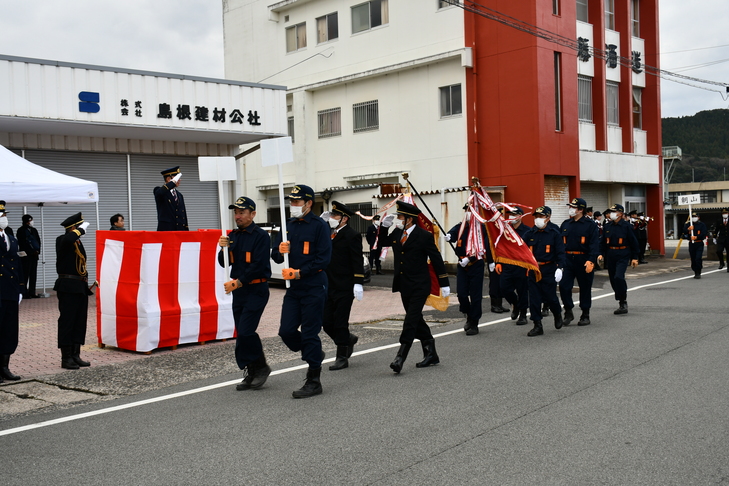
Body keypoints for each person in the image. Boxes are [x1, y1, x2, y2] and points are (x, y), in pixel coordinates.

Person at [271, 184, 331, 398]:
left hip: (314, 285)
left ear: (308, 203)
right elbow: (276, 257)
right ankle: (313, 352)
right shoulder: (287, 226)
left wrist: (300, 272)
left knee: (309, 332)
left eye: (296, 202)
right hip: (294, 288)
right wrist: (279, 250)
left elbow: (323, 259)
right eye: (291, 201)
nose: (292, 205)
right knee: (286, 331)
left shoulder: (319, 226)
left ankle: (314, 380)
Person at [381, 201, 450, 373]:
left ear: (409, 219)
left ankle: (400, 357)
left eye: (400, 217)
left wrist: (444, 282)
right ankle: (431, 352)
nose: (398, 219)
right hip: (404, 284)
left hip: (420, 284)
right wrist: (384, 227)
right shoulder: (397, 233)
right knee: (416, 319)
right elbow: (382, 242)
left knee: (410, 320)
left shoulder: (423, 235)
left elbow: (436, 259)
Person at [218, 196, 272, 391]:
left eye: (242, 212)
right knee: (242, 332)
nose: (237, 216)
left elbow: (258, 265)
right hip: (239, 291)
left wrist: (239, 282)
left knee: (247, 330)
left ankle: (261, 367)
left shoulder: (261, 236)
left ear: (253, 214)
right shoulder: (233, 235)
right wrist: (222, 247)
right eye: (236, 212)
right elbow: (224, 263)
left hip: (256, 289)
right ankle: (251, 370)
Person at [323, 201, 364, 370]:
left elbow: (357, 260)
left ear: (345, 219)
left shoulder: (351, 235)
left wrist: (358, 283)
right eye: (331, 215)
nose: (332, 218)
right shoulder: (328, 233)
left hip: (344, 286)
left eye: (335, 216)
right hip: (328, 285)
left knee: (340, 322)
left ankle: (341, 356)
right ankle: (348, 340)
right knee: (326, 322)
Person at [54, 212, 93, 369]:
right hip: (68, 286)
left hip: (80, 286)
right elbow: (69, 238)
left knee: (79, 322)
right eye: (79, 227)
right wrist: (79, 230)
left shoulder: (77, 242)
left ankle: (76, 354)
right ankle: (66, 357)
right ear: (73, 228)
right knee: (67, 322)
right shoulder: (63, 239)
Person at [523, 206, 566, 336]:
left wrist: (560, 268)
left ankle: (557, 313)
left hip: (549, 269)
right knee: (534, 298)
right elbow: (520, 247)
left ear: (548, 218)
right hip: (534, 269)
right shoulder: (530, 234)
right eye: (536, 217)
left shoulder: (554, 233)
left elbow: (561, 253)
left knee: (550, 297)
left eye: (541, 217)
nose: (538, 219)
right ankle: (537, 325)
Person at [559, 197, 600, 326]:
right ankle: (568, 311)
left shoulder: (590, 225)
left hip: (583, 259)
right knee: (564, 286)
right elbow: (560, 244)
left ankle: (585, 313)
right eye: (570, 207)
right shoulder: (566, 224)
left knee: (585, 287)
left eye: (573, 207)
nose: (570, 209)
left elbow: (594, 244)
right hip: (567, 259)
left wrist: (591, 260)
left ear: (581, 210)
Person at [446, 205, 486, 335]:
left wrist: (470, 258)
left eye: (470, 211)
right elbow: (453, 234)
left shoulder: (481, 228)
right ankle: (468, 314)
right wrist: (449, 236)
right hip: (462, 265)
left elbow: (483, 247)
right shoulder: (461, 226)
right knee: (462, 293)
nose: (467, 213)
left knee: (475, 295)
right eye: (466, 210)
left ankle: (474, 322)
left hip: (475, 264)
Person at [598, 204, 639, 315]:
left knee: (619, 277)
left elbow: (634, 242)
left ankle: (623, 301)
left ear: (620, 214)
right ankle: (619, 296)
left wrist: (635, 257)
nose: (611, 214)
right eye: (610, 211)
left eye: (614, 211)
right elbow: (602, 242)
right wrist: (600, 254)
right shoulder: (607, 226)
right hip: (611, 254)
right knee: (612, 278)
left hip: (623, 253)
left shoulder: (626, 226)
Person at [0, 201, 24, 382]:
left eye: (4, 215)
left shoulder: (11, 236)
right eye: (1, 215)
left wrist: (21, 288)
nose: (4, 218)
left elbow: (17, 264)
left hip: (10, 290)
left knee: (9, 330)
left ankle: (4, 367)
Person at [497, 206, 531, 326]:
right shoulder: (505, 230)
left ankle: (522, 314)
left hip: (521, 265)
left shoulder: (527, 231)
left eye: (514, 214)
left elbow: (530, 250)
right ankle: (515, 304)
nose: (511, 217)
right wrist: (498, 262)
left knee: (522, 290)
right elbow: (500, 247)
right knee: (504, 288)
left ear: (520, 216)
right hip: (507, 264)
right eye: (509, 214)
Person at [153, 166, 188, 231]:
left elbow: (183, 215)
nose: (179, 180)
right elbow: (161, 192)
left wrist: (186, 230)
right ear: (169, 179)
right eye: (177, 178)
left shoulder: (179, 195)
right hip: (167, 231)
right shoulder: (159, 191)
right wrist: (172, 182)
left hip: (179, 231)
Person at [16, 213, 41, 298]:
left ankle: (32, 292)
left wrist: (38, 251)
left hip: (34, 256)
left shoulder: (34, 230)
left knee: (33, 275)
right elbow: (22, 243)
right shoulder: (21, 230)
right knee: (25, 274)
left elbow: (38, 241)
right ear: (26, 222)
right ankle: (24, 292)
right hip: (26, 257)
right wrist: (30, 252)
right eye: (30, 220)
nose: (31, 222)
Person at [681, 212, 708, 279]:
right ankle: (695, 270)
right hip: (691, 243)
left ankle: (698, 272)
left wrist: (697, 237)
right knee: (693, 258)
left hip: (699, 243)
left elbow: (704, 234)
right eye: (692, 216)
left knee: (698, 258)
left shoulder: (702, 225)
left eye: (695, 216)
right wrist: (688, 229)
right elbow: (683, 232)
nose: (694, 218)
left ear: (698, 217)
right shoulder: (688, 224)